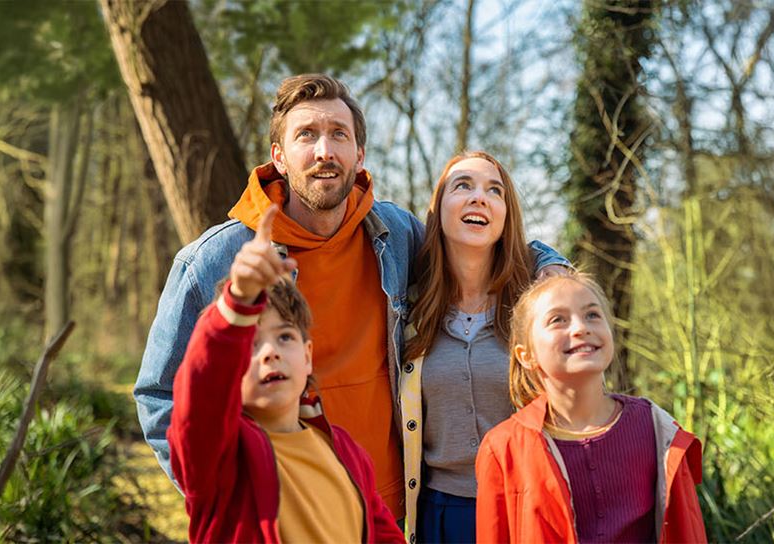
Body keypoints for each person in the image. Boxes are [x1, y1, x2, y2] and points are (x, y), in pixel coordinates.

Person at [135, 73, 569, 517]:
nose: (325, 150)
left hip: (390, 512)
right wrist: (225, 496)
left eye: (339, 134)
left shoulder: (395, 235)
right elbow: (159, 396)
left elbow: (475, 248)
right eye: (307, 135)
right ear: (279, 157)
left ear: (359, 154)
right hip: (287, 516)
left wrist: (550, 262)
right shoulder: (214, 262)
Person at [168, 206, 404, 543]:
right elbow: (199, 396)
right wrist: (237, 303)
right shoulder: (220, 456)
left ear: (307, 356)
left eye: (284, 337)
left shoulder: (344, 450)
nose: (270, 352)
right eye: (250, 343)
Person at [476, 273, 707, 543]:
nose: (580, 328)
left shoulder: (656, 429)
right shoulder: (503, 448)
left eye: (592, 315)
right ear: (526, 356)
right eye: (557, 320)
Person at [398, 151, 540, 543]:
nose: (479, 197)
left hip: (526, 507)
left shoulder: (534, 307)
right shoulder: (408, 311)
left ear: (506, 216)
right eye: (463, 186)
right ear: (438, 209)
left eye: (494, 191)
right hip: (440, 515)